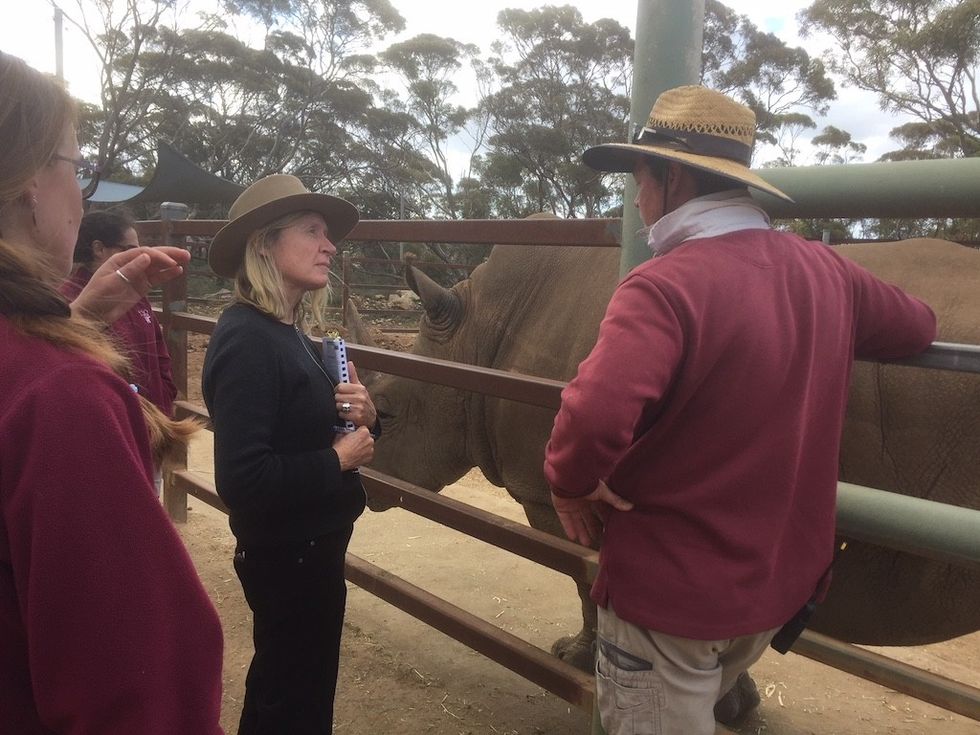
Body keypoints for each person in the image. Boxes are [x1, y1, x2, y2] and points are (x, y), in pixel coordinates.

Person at [543, 85, 937, 735]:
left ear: (669, 178)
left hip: (669, 597)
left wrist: (571, 483)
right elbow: (917, 325)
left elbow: (593, 414)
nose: (637, 203)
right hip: (770, 592)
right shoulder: (823, 270)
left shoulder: (663, 286)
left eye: (639, 181)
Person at [0, 52, 224, 734]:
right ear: (32, 182)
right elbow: (136, 691)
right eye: (79, 166)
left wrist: (74, 318)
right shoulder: (64, 399)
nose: (83, 195)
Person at [203, 174, 377, 734]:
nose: (329, 245)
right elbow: (241, 478)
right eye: (311, 231)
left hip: (309, 549)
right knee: (293, 701)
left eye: (329, 234)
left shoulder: (293, 334)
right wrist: (337, 461)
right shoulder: (248, 340)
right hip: (287, 554)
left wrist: (364, 417)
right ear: (264, 245)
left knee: (287, 690)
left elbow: (308, 432)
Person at [61, 209, 178, 417]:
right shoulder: (68, 302)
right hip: (114, 419)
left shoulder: (136, 293)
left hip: (157, 420)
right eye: (129, 249)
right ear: (99, 249)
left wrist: (166, 394)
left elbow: (159, 350)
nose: (139, 256)